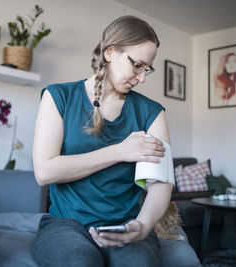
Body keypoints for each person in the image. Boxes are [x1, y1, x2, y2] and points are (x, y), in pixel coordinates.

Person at [32, 15, 173, 267]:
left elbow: (160, 184)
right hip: (66, 225)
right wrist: (120, 151)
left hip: (125, 223)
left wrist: (141, 226)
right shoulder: (58, 97)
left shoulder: (152, 113)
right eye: (137, 65)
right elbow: (44, 172)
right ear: (110, 53)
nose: (142, 78)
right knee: (79, 261)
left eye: (147, 69)